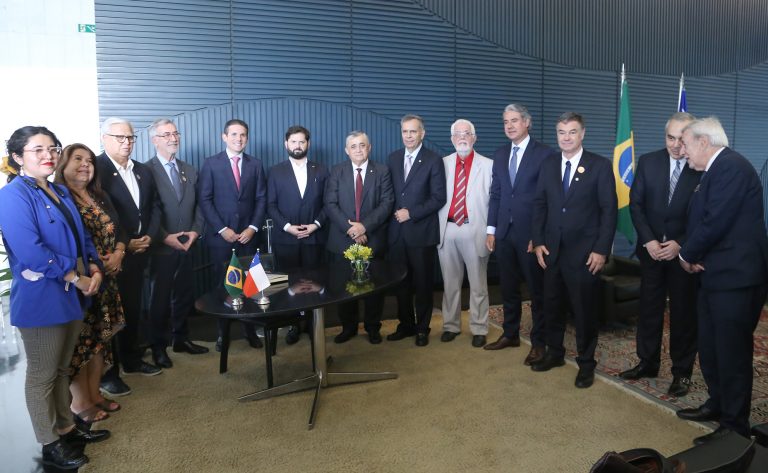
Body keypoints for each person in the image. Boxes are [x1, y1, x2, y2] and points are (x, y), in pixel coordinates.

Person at [0, 127, 109, 469]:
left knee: (63, 369)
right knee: (42, 375)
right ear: (17, 157)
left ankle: (66, 428)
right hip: (43, 298)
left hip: (74, 292)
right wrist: (77, 277)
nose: (48, 155)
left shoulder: (58, 189)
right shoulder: (12, 196)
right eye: (38, 150)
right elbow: (32, 252)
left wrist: (94, 266)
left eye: (52, 148)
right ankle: (49, 443)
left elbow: (82, 237)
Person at [675, 117, 768, 444]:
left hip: (736, 279)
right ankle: (717, 405)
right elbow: (701, 221)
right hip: (715, 275)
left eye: (685, 143)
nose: (681, 150)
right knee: (711, 348)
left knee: (732, 353)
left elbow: (715, 221)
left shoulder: (731, 167)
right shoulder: (713, 171)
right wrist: (694, 254)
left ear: (704, 141)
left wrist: (686, 255)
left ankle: (735, 428)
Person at [531, 112, 617, 389]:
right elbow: (539, 204)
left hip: (585, 254)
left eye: (572, 132)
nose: (566, 138)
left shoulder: (599, 166)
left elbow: (609, 211)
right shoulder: (548, 164)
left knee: (584, 312)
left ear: (582, 134)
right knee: (552, 305)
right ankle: (555, 353)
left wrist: (601, 250)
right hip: (552, 251)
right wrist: (538, 241)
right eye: (561, 132)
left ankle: (586, 364)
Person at [621, 112, 701, 397]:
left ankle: (682, 372)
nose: (676, 145)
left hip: (682, 256)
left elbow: (704, 214)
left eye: (681, 139)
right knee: (649, 310)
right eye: (670, 137)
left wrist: (681, 243)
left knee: (683, 315)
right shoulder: (648, 161)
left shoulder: (699, 165)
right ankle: (647, 362)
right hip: (651, 253)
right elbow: (636, 205)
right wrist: (649, 241)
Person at [55, 143, 127, 424]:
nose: (85, 164)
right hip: (83, 281)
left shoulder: (99, 194)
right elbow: (68, 242)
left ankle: (95, 394)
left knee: (100, 340)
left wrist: (119, 252)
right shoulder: (60, 197)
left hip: (108, 278)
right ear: (63, 164)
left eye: (89, 160)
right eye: (78, 159)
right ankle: (80, 402)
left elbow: (120, 228)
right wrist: (96, 264)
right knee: (82, 343)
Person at [96, 117, 163, 398]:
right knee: (110, 315)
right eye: (120, 137)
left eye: (131, 137)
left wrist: (150, 235)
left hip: (141, 250)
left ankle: (132, 360)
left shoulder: (143, 170)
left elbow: (155, 206)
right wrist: (125, 243)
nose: (127, 143)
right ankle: (108, 374)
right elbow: (100, 214)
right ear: (104, 138)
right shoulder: (95, 169)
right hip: (111, 254)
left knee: (133, 308)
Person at [484, 104, 553, 365]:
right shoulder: (500, 154)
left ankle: (539, 343)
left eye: (514, 120)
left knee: (537, 292)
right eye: (506, 122)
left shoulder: (545, 154)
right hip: (504, 233)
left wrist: (539, 235)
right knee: (508, 287)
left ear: (527, 123)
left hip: (530, 236)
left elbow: (548, 198)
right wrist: (491, 230)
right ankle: (510, 334)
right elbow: (496, 194)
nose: (509, 126)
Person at [198, 119, 266, 351]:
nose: (239, 138)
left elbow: (261, 199)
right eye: (234, 134)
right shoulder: (211, 164)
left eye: (243, 134)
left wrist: (252, 228)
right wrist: (222, 229)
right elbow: (204, 199)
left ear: (247, 138)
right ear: (224, 137)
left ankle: (250, 330)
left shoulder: (256, 165)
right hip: (221, 239)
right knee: (223, 287)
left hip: (248, 238)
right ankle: (223, 333)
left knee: (250, 286)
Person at [146, 118, 208, 369]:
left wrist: (196, 232)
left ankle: (181, 339)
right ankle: (158, 347)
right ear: (155, 140)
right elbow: (146, 211)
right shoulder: (145, 171)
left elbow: (200, 206)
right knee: (159, 300)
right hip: (162, 247)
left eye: (175, 133)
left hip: (188, 244)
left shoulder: (190, 170)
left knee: (184, 295)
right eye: (166, 135)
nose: (173, 138)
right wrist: (164, 236)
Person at [324, 131, 394, 344]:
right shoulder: (337, 170)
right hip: (342, 239)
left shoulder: (382, 171)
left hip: (372, 238)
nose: (358, 150)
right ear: (346, 150)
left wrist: (364, 227)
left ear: (369, 148)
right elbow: (330, 204)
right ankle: (348, 327)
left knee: (374, 287)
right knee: (344, 286)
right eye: (353, 146)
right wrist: (351, 229)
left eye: (362, 145)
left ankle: (373, 327)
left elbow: (387, 203)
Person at [385, 114, 446, 346]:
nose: (408, 136)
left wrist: (411, 212)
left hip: (421, 233)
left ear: (422, 133)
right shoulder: (393, 158)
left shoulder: (433, 160)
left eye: (413, 131)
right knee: (401, 284)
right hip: (397, 234)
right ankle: (406, 325)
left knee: (422, 285)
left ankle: (422, 328)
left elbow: (438, 197)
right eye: (405, 131)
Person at [267, 125, 328, 344]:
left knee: (314, 282)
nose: (298, 145)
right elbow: (270, 205)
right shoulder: (275, 171)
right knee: (289, 285)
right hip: (286, 239)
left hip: (314, 237)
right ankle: (293, 324)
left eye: (302, 141)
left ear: (308, 144)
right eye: (293, 142)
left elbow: (328, 203)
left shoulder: (321, 170)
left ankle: (313, 325)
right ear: (286, 144)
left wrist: (316, 225)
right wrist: (287, 227)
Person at [437, 119, 493, 347]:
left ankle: (479, 327)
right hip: (447, 229)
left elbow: (495, 202)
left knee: (478, 284)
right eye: (458, 134)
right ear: (452, 139)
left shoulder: (489, 165)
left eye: (467, 133)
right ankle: (451, 325)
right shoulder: (441, 164)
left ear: (474, 138)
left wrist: (492, 231)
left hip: (475, 228)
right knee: (450, 283)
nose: (462, 137)